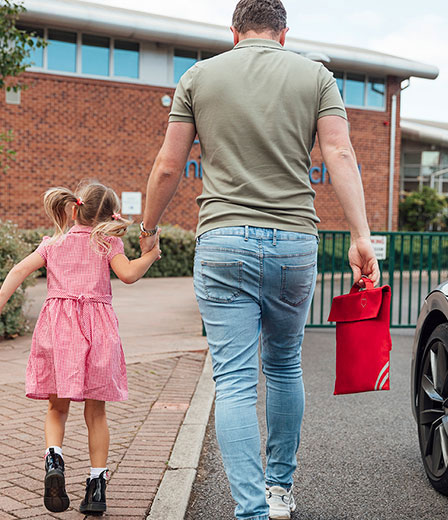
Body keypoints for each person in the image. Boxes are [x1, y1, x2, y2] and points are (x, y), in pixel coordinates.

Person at [139, 0, 380, 519]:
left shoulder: (198, 78)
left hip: (223, 241)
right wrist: (361, 235)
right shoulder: (315, 77)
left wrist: (150, 228)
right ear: (283, 34)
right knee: (285, 364)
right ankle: (279, 492)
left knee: (233, 380)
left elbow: (167, 165)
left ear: (234, 32)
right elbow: (339, 154)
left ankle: (249, 510)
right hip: (294, 240)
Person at [0, 179, 160, 515]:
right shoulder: (107, 243)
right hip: (97, 331)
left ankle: (54, 459)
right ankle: (96, 488)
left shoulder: (54, 243)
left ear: (75, 208)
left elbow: (19, 270)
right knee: (96, 413)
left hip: (58, 332)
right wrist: (151, 254)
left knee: (57, 408)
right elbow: (130, 275)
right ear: (107, 215)